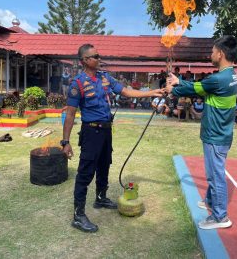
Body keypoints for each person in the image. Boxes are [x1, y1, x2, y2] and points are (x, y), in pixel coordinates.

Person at [61, 44, 164, 233]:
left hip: (106, 130)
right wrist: (65, 142)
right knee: (85, 173)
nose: (99, 59)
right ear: (85, 60)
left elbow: (125, 91)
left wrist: (151, 93)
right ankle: (78, 215)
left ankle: (100, 198)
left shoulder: (105, 77)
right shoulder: (77, 83)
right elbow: (70, 115)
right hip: (91, 132)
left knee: (104, 165)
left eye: (99, 55)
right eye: (95, 56)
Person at [166, 35, 237, 230]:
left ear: (221, 54)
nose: (211, 54)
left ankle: (220, 216)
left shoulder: (218, 79)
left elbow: (193, 88)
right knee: (215, 172)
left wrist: (174, 87)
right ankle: (210, 200)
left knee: (215, 175)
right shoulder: (232, 75)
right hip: (221, 133)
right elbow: (196, 87)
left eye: (213, 51)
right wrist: (178, 81)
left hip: (215, 135)